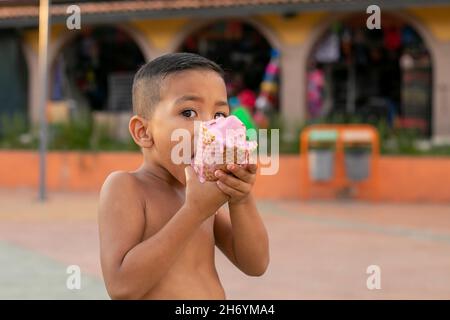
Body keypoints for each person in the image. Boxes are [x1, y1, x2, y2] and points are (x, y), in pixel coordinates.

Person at [98, 53, 269, 300]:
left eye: (219, 115)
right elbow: (121, 287)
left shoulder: (202, 192)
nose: (211, 128)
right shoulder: (126, 187)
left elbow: (255, 264)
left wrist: (241, 198)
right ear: (144, 131)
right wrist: (194, 212)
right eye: (189, 113)